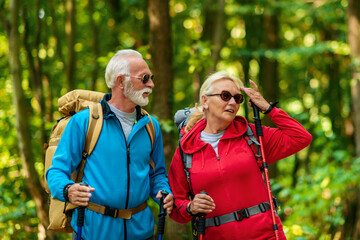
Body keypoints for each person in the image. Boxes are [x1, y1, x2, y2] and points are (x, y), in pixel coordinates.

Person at [46, 49, 173, 240]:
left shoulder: (151, 125)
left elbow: (158, 174)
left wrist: (164, 191)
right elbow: (56, 171)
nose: (151, 84)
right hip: (93, 232)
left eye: (151, 77)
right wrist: (68, 190)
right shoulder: (84, 122)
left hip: (142, 232)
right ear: (121, 81)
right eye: (145, 78)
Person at [168, 71, 312, 239]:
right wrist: (190, 207)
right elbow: (176, 204)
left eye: (237, 98)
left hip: (266, 235)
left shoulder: (251, 135)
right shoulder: (187, 149)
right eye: (225, 95)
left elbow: (301, 137)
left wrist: (268, 108)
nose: (232, 102)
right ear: (205, 101)